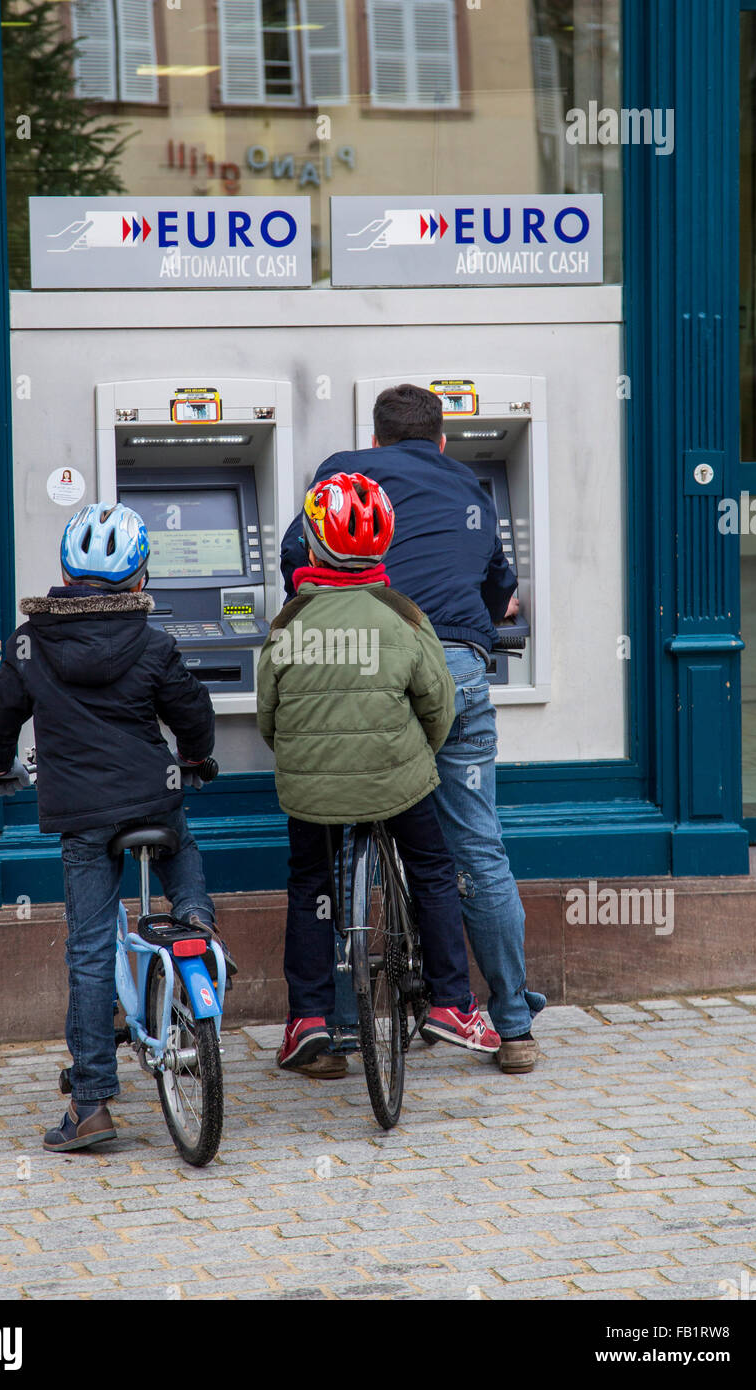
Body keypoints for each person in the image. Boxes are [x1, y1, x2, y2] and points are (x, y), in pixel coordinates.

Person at [280, 385, 546, 1073]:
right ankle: (511, 1026)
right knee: (475, 850)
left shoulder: (345, 469)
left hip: (359, 664)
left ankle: (331, 1030)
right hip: (454, 667)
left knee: (338, 845)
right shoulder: (472, 486)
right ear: (443, 440)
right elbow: (497, 590)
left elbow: (293, 564)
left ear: (374, 440)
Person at [0, 502, 229, 1151]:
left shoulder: (30, 642)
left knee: (90, 951)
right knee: (181, 838)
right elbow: (191, 710)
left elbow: (0, 718)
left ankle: (90, 1105)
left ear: (65, 572)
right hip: (152, 796)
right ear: (140, 580)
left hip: (81, 815)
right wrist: (197, 759)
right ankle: (196, 923)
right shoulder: (151, 642)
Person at [258, 471, 501, 1070]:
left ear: (312, 547)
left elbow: (269, 717)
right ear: (383, 546)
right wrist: (417, 755)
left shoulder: (289, 622)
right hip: (398, 782)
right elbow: (439, 708)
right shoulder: (404, 616)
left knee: (311, 884)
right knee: (433, 871)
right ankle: (451, 1002)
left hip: (312, 791)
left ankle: (310, 1019)